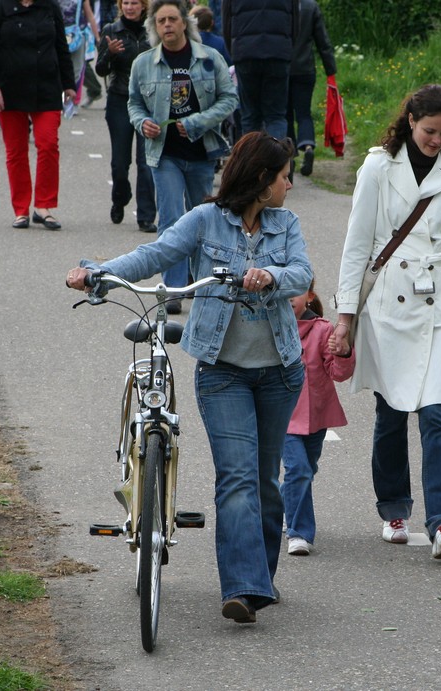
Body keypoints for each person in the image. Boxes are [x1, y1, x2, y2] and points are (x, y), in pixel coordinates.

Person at [66, 131, 312, 625]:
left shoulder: (285, 224)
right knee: (238, 477)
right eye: (285, 177)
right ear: (263, 180)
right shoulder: (204, 220)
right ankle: (243, 589)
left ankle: (260, 577)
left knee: (265, 482)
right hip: (223, 374)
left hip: (280, 373)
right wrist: (98, 273)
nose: (290, 185)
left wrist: (272, 276)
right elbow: (154, 254)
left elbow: (302, 273)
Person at [331, 84, 441, 560]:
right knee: (392, 413)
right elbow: (358, 244)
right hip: (388, 308)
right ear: (411, 120)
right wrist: (345, 317)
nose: (437, 141)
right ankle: (394, 508)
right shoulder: (378, 167)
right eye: (430, 131)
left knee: (438, 415)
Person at [129, 0, 238, 309]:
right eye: (161, 20)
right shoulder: (144, 63)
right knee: (171, 219)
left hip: (202, 152)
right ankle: (174, 290)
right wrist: (143, 122)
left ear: (184, 23)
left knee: (203, 221)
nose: (167, 25)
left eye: (172, 19)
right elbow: (134, 103)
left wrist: (196, 122)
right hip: (164, 154)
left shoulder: (209, 59)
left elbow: (229, 99)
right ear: (154, 26)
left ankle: (200, 285)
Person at [0, 0, 75, 229]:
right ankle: (21, 210)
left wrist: (69, 83)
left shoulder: (50, 6)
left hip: (47, 87)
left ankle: (43, 206)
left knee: (48, 144)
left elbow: (61, 46)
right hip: (9, 89)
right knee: (16, 151)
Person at [281, 279, 354, 556]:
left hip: (316, 417)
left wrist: (343, 352)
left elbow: (338, 373)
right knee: (298, 470)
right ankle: (299, 533)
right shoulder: (269, 328)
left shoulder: (323, 330)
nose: (290, 298)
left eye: (297, 292)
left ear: (310, 296)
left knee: (306, 470)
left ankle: (280, 505)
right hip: (282, 417)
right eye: (284, 292)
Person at [95, 0, 156, 231]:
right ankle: (120, 197)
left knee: (146, 163)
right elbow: (101, 69)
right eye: (126, 3)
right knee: (120, 163)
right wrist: (109, 54)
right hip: (120, 99)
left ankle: (146, 216)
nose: (130, 7)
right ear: (121, 6)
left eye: (135, 3)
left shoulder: (153, 30)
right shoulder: (112, 30)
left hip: (148, 102)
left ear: (143, 6)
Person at [221, 0, 298, 139]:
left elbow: (226, 22)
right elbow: (295, 23)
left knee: (249, 116)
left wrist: (234, 52)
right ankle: (277, 151)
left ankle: (252, 152)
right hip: (278, 53)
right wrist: (287, 50)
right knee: (276, 116)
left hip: (245, 53)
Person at [286, 0, 334, 178]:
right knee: (304, 113)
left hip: (282, 68)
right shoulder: (310, 6)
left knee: (285, 115)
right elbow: (322, 40)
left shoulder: (280, 5)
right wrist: (330, 70)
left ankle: (289, 155)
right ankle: (308, 147)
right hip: (305, 68)